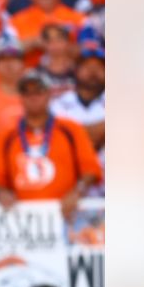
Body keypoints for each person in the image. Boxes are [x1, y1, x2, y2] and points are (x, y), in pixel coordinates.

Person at [0, 70, 103, 219]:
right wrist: (0, 193)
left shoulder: (71, 129)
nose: (33, 97)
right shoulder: (7, 134)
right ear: (20, 97)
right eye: (27, 93)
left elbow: (91, 169)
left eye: (38, 91)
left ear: (49, 95)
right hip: (22, 219)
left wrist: (77, 192)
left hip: (67, 215)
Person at [50, 43, 104, 187]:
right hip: (71, 184)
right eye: (87, 67)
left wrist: (77, 133)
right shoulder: (59, 104)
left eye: (99, 67)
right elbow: (59, 141)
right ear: (76, 71)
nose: (93, 72)